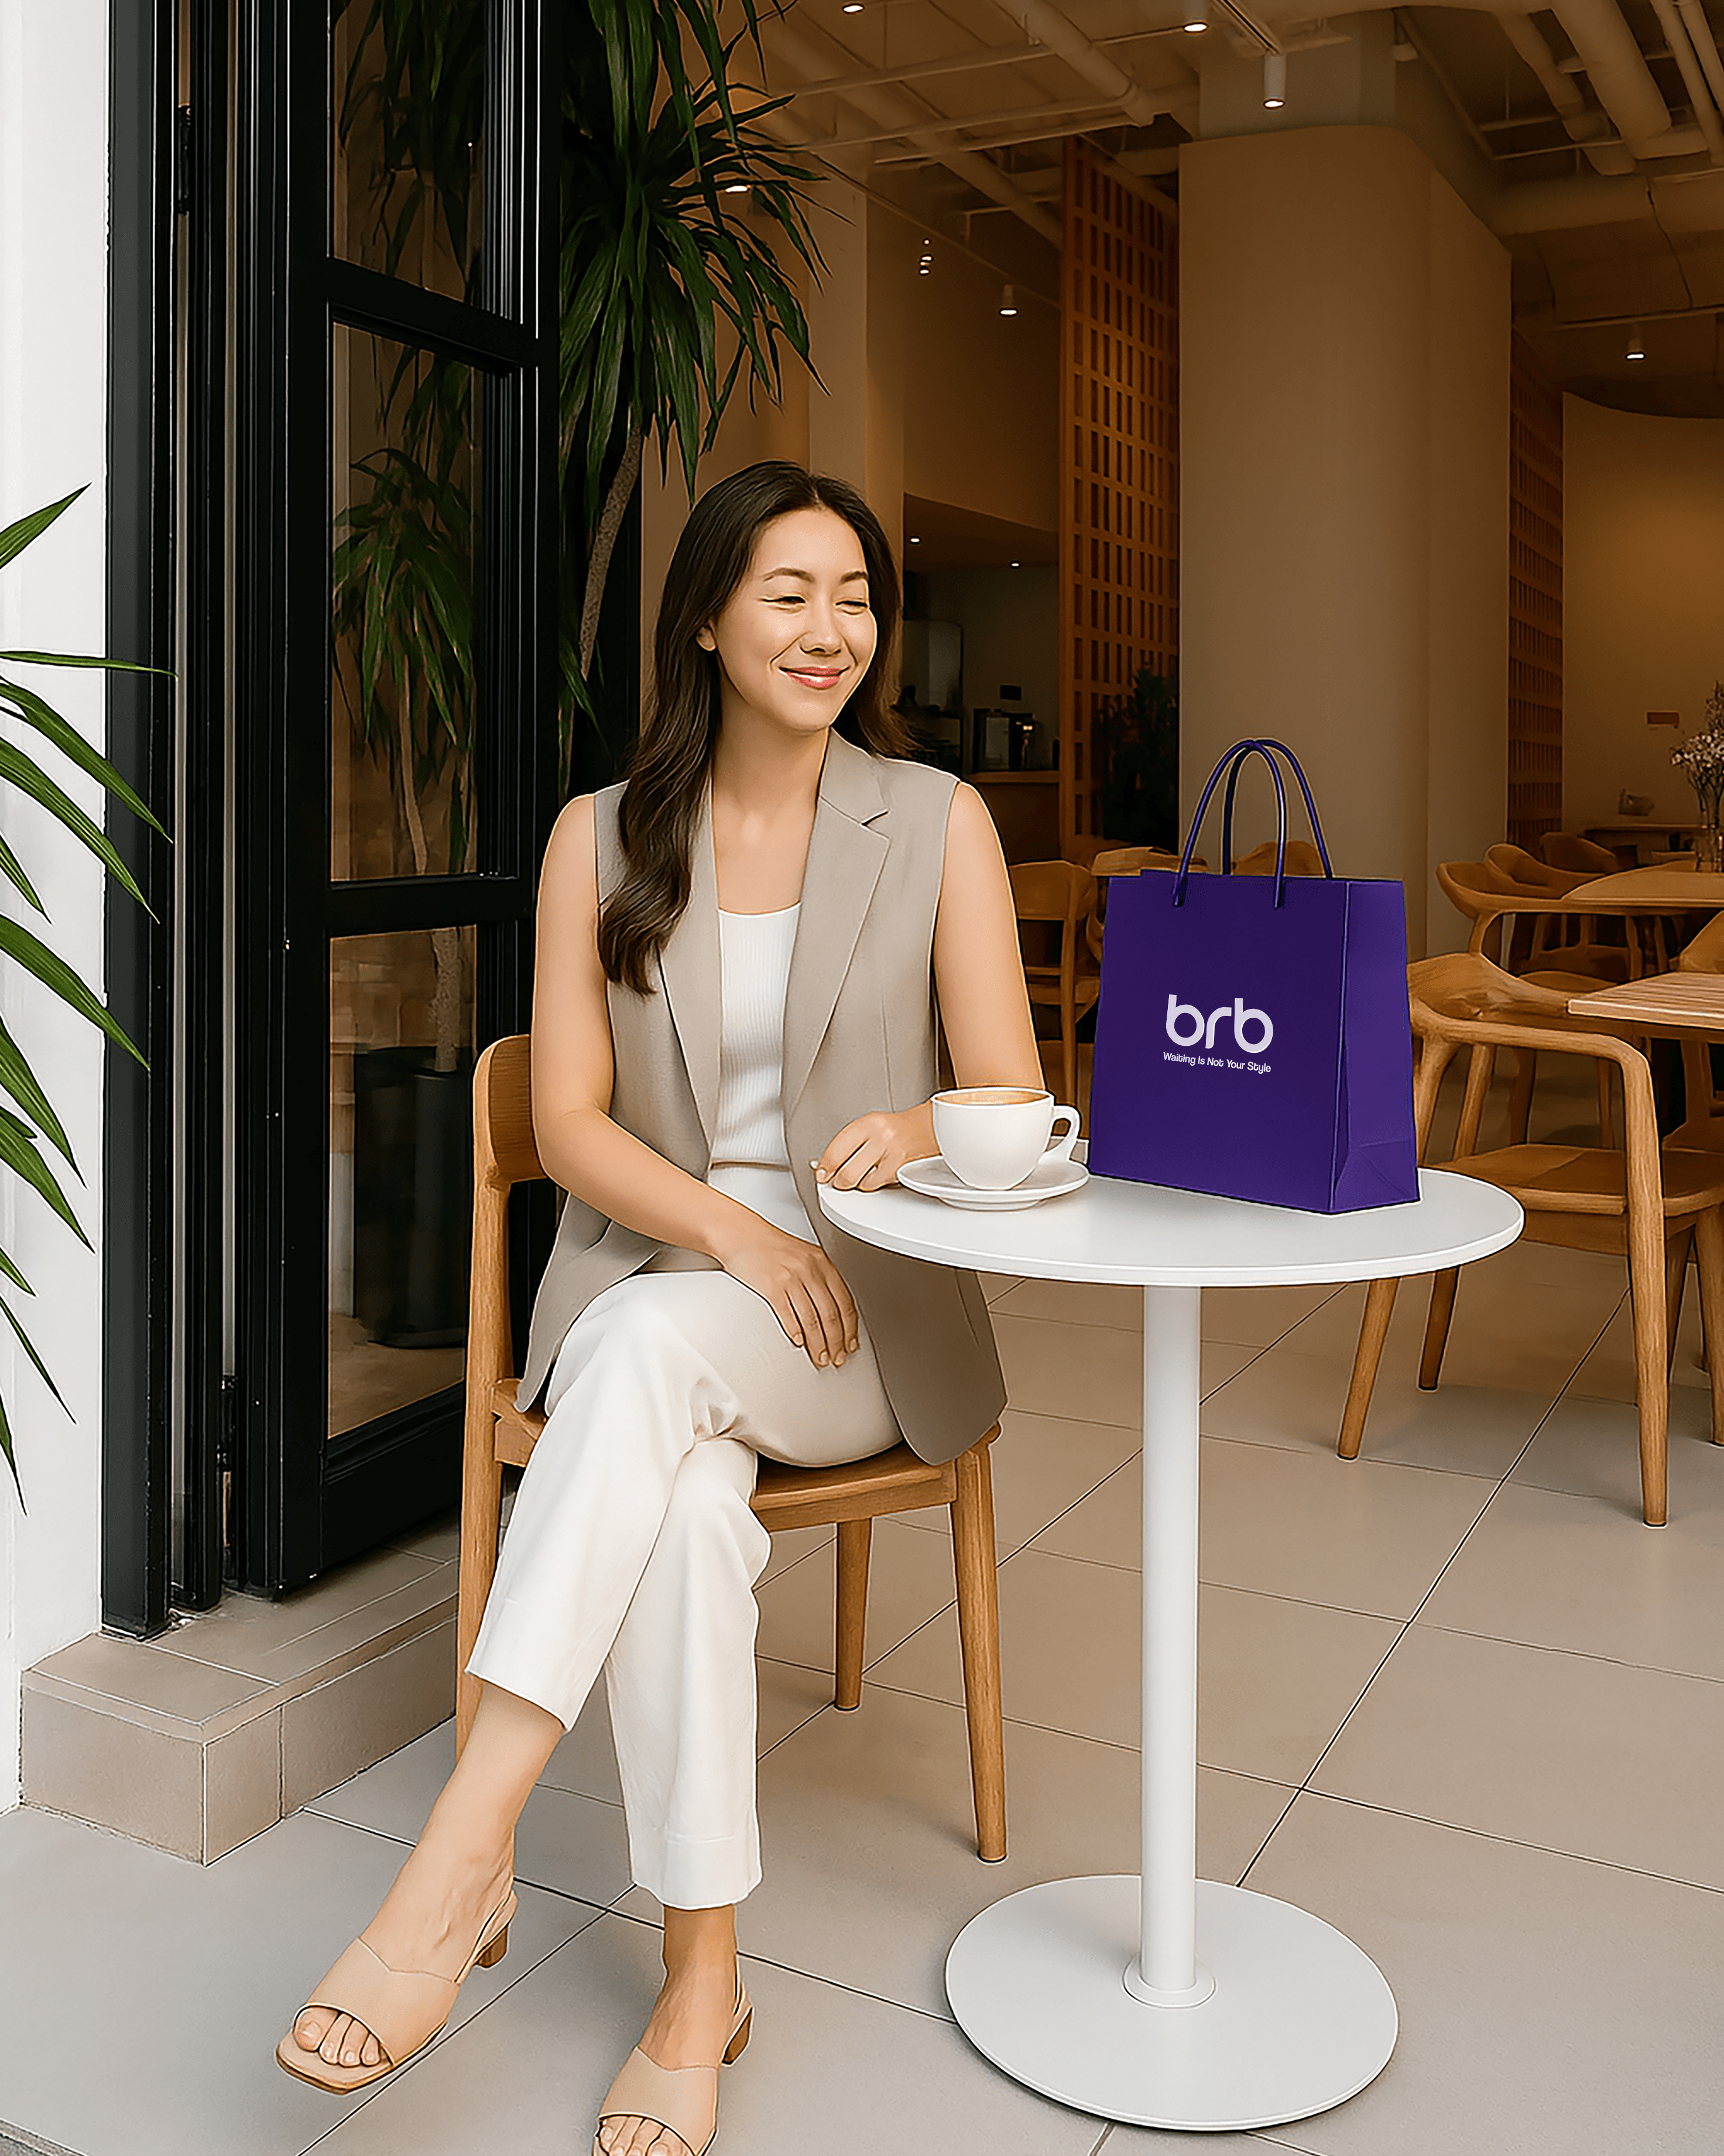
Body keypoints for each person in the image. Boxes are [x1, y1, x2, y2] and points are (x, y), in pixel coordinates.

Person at [276, 460, 1043, 2156]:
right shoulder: (601, 836)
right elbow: (566, 1129)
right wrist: (732, 1236)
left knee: (634, 1366)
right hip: (659, 1284)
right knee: (683, 1507)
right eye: (789, 592)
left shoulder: (931, 823)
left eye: (854, 598)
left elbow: (1009, 1086)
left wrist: (905, 1133)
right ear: (706, 618)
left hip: (859, 1313)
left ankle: (461, 1854)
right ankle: (705, 1986)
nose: (829, 628)